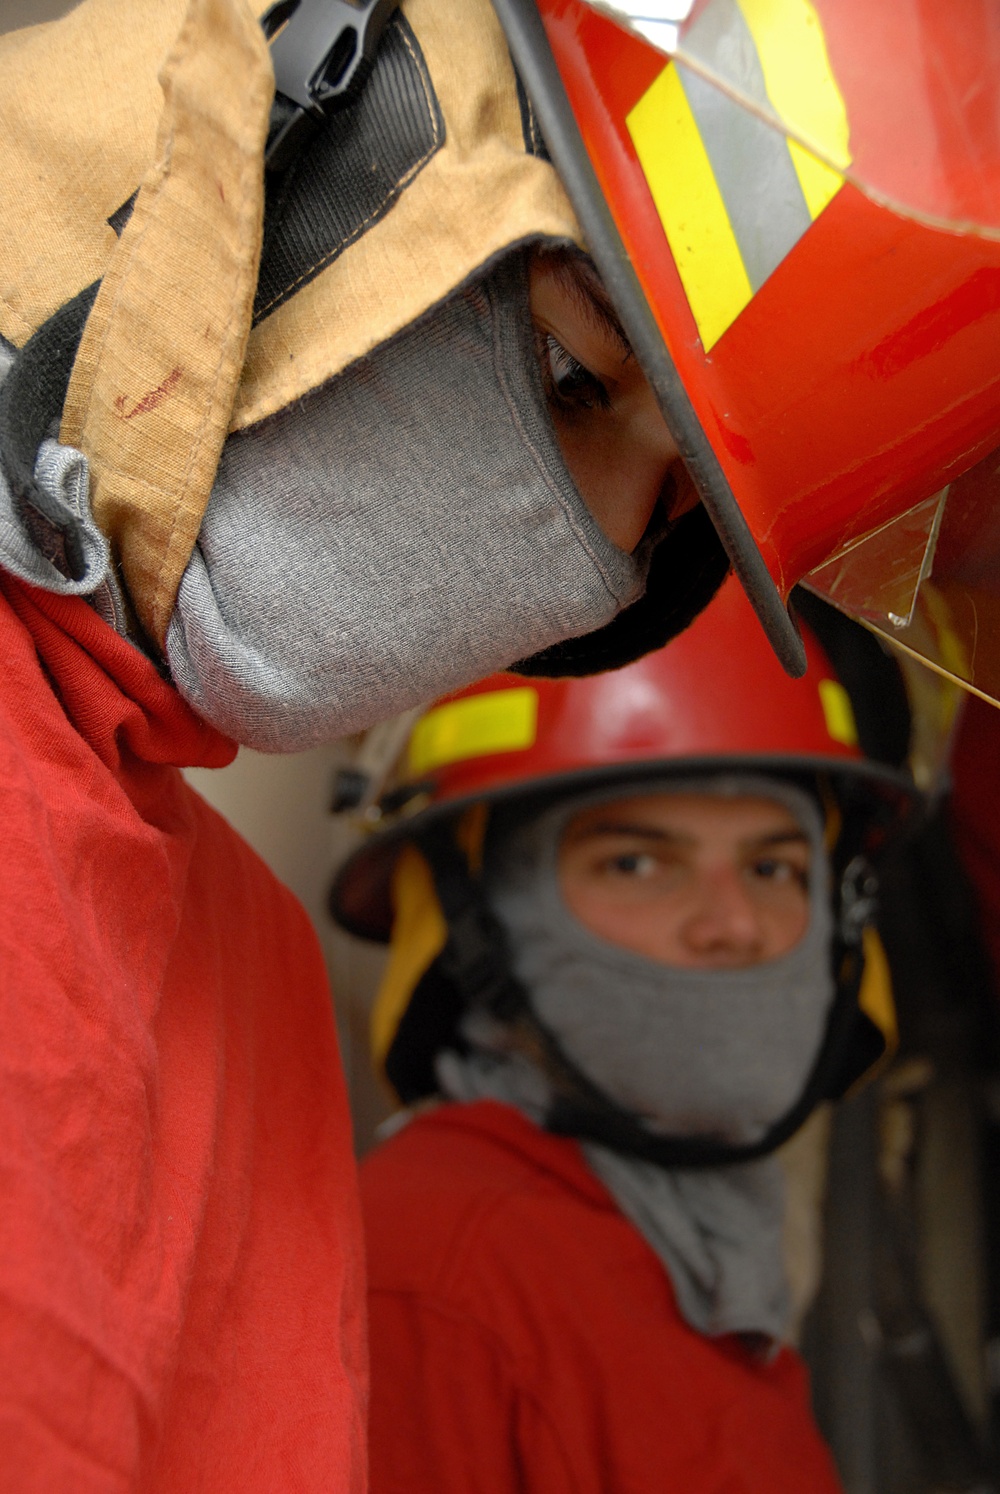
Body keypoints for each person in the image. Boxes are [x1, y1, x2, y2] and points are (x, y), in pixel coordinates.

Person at [0, 0, 995, 1486]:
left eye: (667, 521)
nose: (592, 555)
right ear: (288, 120)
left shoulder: (239, 966)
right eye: (572, 380)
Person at [331, 577, 917, 1492]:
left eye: (773, 866)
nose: (734, 926)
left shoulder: (704, 1243)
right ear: (486, 924)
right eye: (638, 863)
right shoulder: (436, 1278)